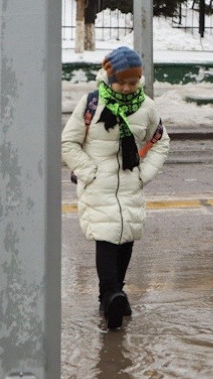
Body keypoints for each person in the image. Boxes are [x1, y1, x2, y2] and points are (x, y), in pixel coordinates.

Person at [62, 46, 171, 330]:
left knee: (126, 238)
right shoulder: (91, 103)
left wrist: (143, 175)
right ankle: (111, 295)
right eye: (121, 82)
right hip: (98, 185)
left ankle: (113, 297)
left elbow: (160, 141)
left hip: (130, 185)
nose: (126, 88)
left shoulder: (145, 106)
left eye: (132, 83)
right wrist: (89, 172)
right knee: (107, 238)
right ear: (109, 78)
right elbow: (68, 143)